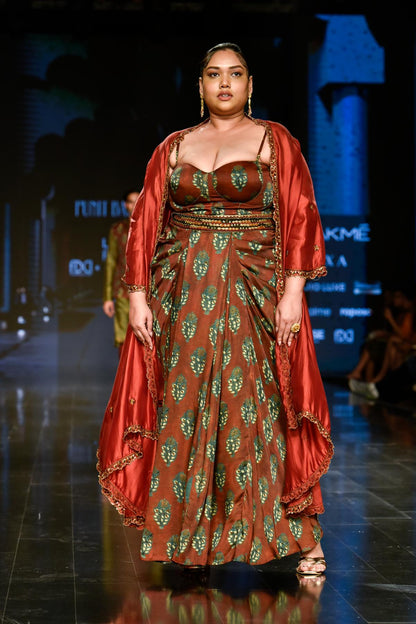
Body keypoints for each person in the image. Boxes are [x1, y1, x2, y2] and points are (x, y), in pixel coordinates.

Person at [97, 42, 333, 577]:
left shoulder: (275, 140)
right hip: (182, 292)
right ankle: (187, 540)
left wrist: (293, 291)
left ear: (250, 84)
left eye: (235, 73)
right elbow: (145, 224)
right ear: (201, 86)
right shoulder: (175, 145)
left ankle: (301, 539)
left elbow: (300, 215)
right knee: (183, 405)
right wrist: (138, 296)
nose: (224, 83)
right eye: (213, 74)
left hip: (254, 289)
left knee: (260, 407)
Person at [347, 288, 415, 382]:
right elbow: (397, 333)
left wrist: (390, 319)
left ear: (404, 298)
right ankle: (369, 382)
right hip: (399, 343)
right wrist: (382, 333)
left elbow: (404, 335)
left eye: (397, 297)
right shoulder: (401, 313)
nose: (394, 300)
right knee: (373, 346)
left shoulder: (410, 314)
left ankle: (379, 378)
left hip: (407, 345)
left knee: (386, 346)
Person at [102, 189, 139, 356]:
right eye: (131, 201)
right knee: (123, 337)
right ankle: (125, 373)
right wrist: (107, 297)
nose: (135, 205)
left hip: (148, 291)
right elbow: (111, 261)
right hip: (123, 290)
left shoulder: (151, 228)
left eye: (138, 200)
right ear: (126, 205)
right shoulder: (117, 229)